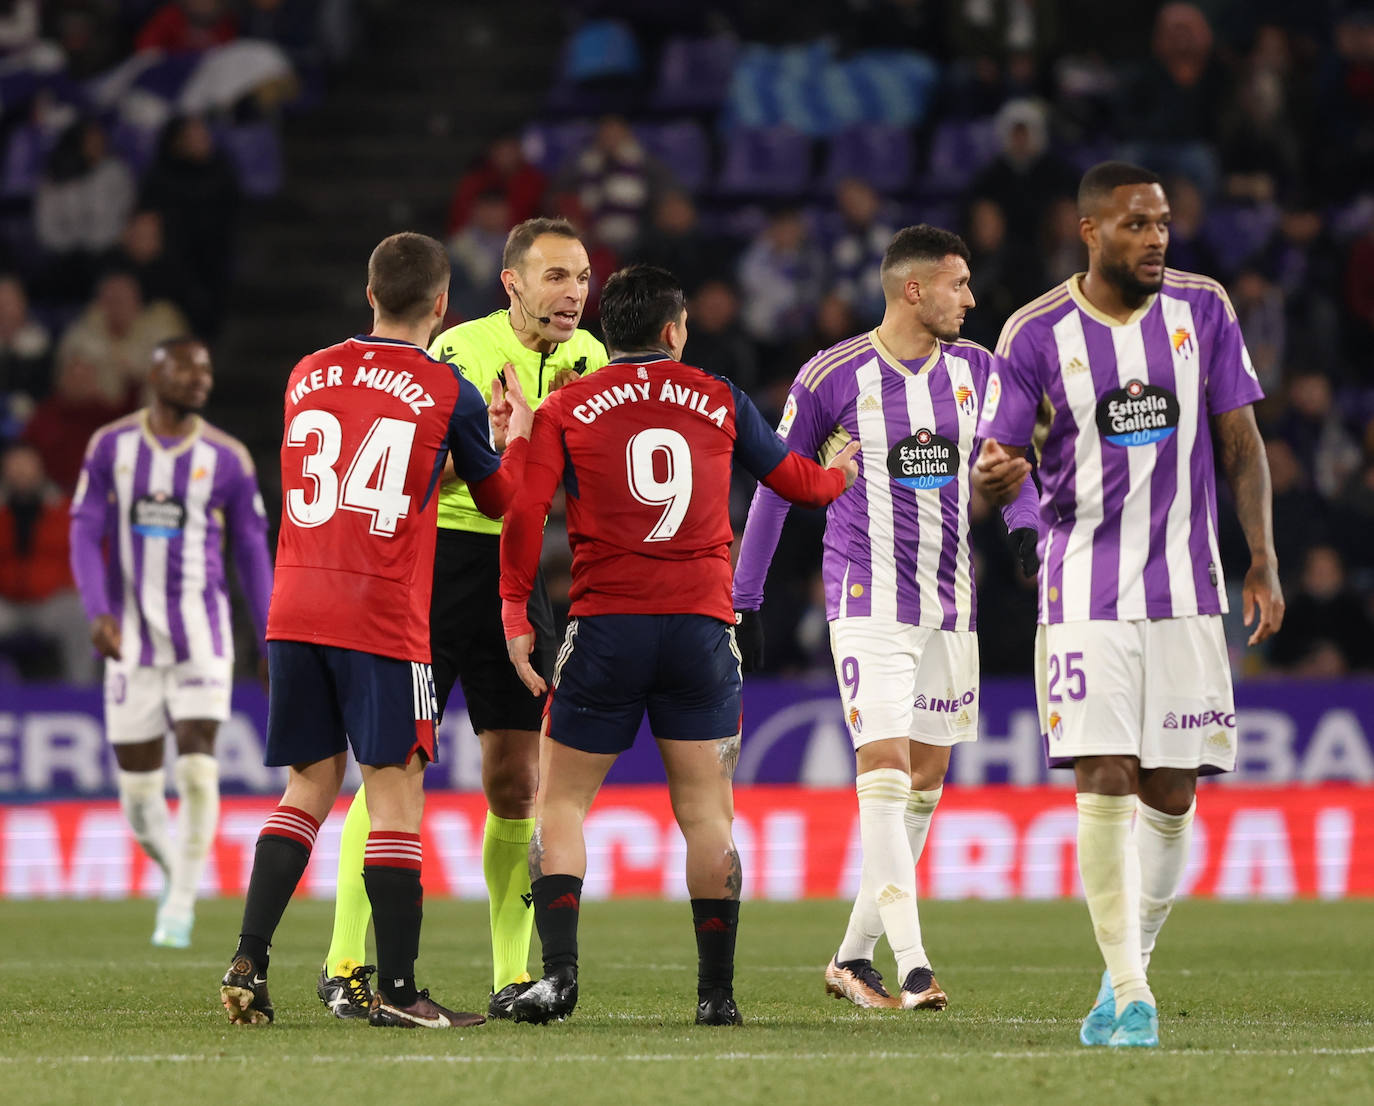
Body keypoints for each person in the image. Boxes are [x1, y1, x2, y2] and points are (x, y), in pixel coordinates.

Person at [499, 264, 861, 1027]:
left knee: (561, 801)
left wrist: (514, 609)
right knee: (706, 815)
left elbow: (527, 511)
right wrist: (836, 476)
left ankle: (558, 978)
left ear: (610, 331)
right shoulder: (719, 395)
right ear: (672, 331)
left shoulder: (568, 405)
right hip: (701, 628)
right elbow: (793, 483)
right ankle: (716, 996)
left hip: (608, 627)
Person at [974, 161, 1284, 1048]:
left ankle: (1125, 976)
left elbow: (1242, 442)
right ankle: (1131, 988)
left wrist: (1261, 559)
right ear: (1090, 231)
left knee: (1172, 791)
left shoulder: (1205, 309)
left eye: (1162, 224)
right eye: (1137, 225)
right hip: (1084, 594)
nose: (1156, 239)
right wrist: (1017, 507)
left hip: (1188, 592)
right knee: (1103, 773)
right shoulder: (1034, 332)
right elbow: (999, 468)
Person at [217, 232, 533, 1029]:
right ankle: (398, 991)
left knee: (307, 788)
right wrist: (511, 438)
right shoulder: (448, 389)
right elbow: (501, 505)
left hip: (295, 607)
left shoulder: (306, 373)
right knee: (395, 794)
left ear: (367, 294)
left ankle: (250, 958)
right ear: (440, 305)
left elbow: (364, 470)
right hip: (382, 614)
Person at [732, 224, 1041, 1012]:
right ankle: (913, 966)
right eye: (958, 283)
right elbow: (773, 484)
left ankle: (850, 958)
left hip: (952, 604)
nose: (971, 299)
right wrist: (746, 596)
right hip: (866, 600)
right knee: (886, 771)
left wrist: (1028, 529)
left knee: (926, 785)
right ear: (914, 289)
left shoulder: (977, 371)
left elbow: (1008, 465)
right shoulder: (833, 375)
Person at [315, 217, 607, 1022]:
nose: (573, 293)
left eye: (582, 277)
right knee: (394, 767)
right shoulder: (460, 356)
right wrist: (501, 451)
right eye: (555, 276)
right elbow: (421, 476)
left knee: (517, 777)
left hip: (519, 581)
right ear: (511, 282)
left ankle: (511, 976)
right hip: (435, 569)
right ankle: (346, 965)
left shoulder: (590, 362)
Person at [68, 337, 273, 947]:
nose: (198, 378)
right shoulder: (111, 446)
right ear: (154, 375)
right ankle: (180, 871)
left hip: (202, 636)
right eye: (184, 368)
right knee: (136, 795)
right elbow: (83, 530)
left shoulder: (228, 458)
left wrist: (267, 638)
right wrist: (97, 611)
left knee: (195, 759)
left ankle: (179, 906)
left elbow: (252, 553)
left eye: (206, 369)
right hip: (131, 640)